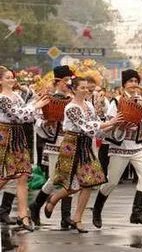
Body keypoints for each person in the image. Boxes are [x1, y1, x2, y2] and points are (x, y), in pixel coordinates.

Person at [43, 77, 121, 233]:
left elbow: (96, 129)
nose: (86, 90)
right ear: (74, 89)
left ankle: (77, 218)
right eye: (83, 88)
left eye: (87, 88)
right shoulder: (71, 107)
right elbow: (86, 126)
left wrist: (112, 126)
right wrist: (109, 123)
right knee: (73, 184)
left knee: (90, 182)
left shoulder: (88, 105)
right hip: (71, 145)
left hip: (85, 144)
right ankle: (55, 198)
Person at [92, 69, 142, 228]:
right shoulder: (117, 101)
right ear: (124, 83)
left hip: (137, 146)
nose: (134, 84)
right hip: (120, 146)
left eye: (136, 81)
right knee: (111, 182)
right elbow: (110, 121)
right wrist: (122, 125)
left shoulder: (141, 100)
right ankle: (97, 209)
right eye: (131, 81)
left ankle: (137, 213)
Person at [0, 66, 49, 231]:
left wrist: (37, 106)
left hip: (18, 135)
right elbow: (19, 114)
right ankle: (23, 216)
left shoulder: (15, 95)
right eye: (8, 77)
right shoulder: (3, 98)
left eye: (12, 77)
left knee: (23, 176)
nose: (12, 80)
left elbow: (27, 116)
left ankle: (24, 216)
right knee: (6, 176)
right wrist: (36, 105)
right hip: (5, 136)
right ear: (0, 80)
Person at [30, 66, 75, 229]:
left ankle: (65, 216)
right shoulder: (48, 98)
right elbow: (36, 119)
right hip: (55, 143)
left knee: (66, 178)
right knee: (56, 178)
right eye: (65, 81)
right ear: (58, 82)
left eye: (70, 80)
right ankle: (36, 206)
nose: (68, 84)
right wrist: (47, 122)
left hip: (70, 142)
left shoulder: (73, 98)